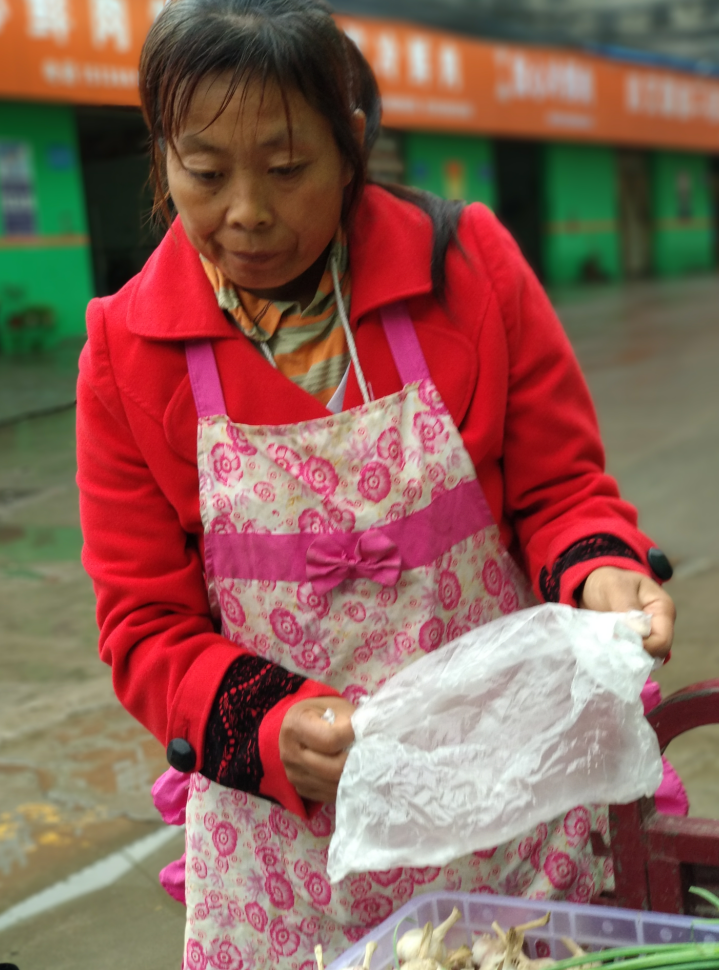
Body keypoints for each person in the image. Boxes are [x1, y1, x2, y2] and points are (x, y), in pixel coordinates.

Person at [76, 0, 677, 966]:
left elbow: (560, 489)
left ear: (350, 144)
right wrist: (269, 724)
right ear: (161, 158)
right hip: (292, 851)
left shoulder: (467, 265)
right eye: (204, 171)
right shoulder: (126, 351)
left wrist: (601, 570)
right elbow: (144, 628)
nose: (247, 211)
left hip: (508, 796)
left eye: (286, 168)